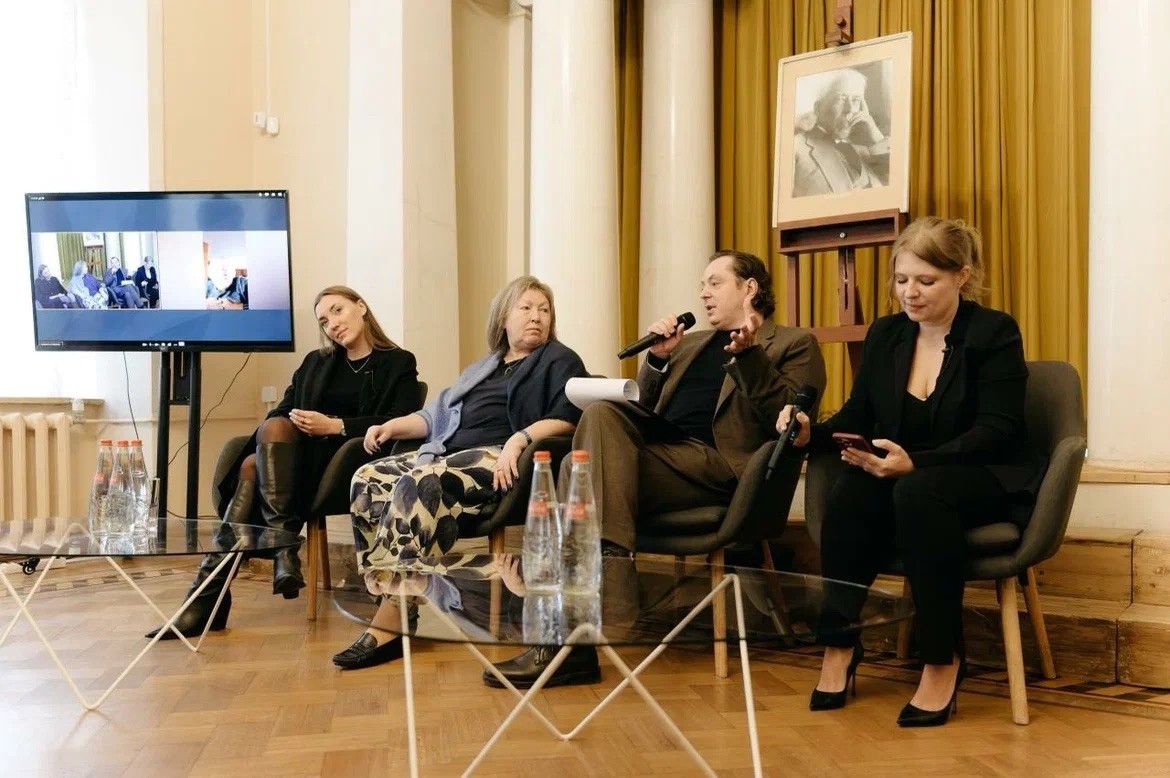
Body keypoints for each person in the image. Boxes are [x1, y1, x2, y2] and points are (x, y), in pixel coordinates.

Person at [485, 250, 827, 690]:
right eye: (702, 285)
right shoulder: (691, 344)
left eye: (715, 283)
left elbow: (790, 416)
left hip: (720, 467)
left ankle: (573, 633)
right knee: (593, 429)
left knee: (577, 467)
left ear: (750, 288)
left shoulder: (793, 343)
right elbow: (642, 408)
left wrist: (749, 357)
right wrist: (659, 360)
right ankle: (591, 612)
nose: (703, 294)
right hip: (662, 454)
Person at [775, 216, 1043, 727]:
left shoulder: (993, 331)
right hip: (908, 474)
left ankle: (942, 659)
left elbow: (998, 430)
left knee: (919, 492)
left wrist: (916, 462)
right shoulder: (887, 333)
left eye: (926, 280)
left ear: (961, 276)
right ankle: (839, 643)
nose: (909, 293)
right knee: (852, 491)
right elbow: (858, 414)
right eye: (901, 280)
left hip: (981, 472)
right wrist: (810, 434)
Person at [332, 275, 588, 670]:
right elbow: (435, 417)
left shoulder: (559, 359)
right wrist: (390, 427)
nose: (537, 316)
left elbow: (570, 416)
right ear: (503, 318)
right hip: (448, 455)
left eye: (544, 310)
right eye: (526, 308)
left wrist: (519, 439)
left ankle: (389, 622)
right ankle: (394, 596)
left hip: (500, 460)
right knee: (368, 478)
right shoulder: (483, 367)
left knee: (421, 483)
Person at [148, 285, 422, 639]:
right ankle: (277, 555)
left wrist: (335, 426)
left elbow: (399, 421)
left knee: (252, 467)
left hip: (349, 463)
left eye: (337, 311)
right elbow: (282, 410)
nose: (332, 324)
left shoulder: (398, 362)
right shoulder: (316, 363)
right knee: (269, 435)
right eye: (324, 321)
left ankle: (214, 594)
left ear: (361, 307)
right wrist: (296, 421)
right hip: (299, 460)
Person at [793, 67, 889, 197]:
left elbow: (897, 189)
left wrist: (876, 137)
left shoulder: (867, 152)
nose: (850, 109)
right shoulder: (795, 149)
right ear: (818, 108)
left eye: (856, 100)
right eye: (841, 99)